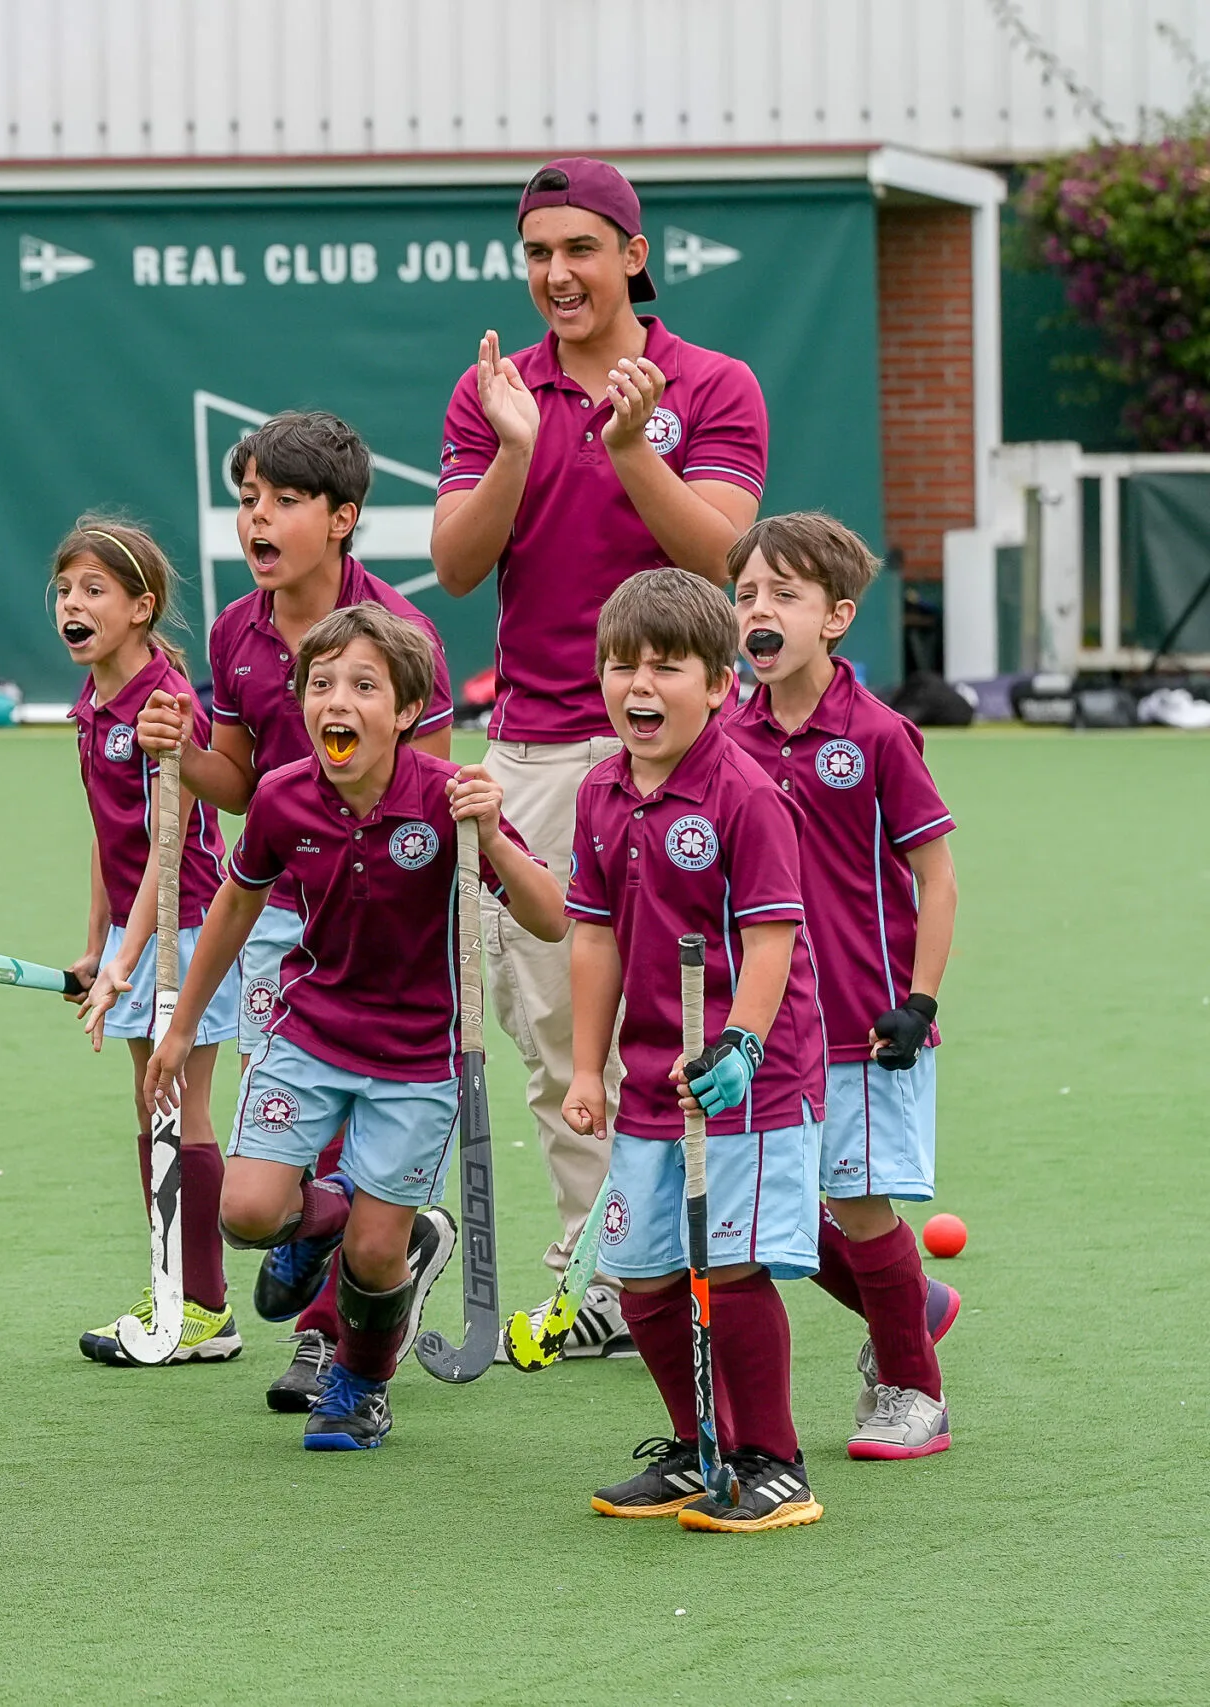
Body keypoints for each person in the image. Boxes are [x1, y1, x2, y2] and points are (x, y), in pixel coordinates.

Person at [432, 156, 768, 1351]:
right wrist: (515, 450)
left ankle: (735, 1261)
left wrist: (630, 447)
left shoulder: (712, 384)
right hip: (532, 751)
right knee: (555, 1037)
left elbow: (721, 560)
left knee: (700, 1020)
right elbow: (457, 567)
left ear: (632, 254)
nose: (557, 274)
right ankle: (611, 1279)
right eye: (537, 253)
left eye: (580, 248)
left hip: (690, 754)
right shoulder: (492, 391)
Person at [145, 605, 563, 1448]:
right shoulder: (281, 796)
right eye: (322, 684)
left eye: (364, 686)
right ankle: (326, 1216)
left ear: (406, 711)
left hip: (419, 1058)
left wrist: (492, 836)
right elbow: (236, 905)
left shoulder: (447, 802)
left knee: (376, 1258)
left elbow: (550, 916)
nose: (338, 701)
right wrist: (182, 1027)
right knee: (246, 1211)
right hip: (310, 1036)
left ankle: (361, 1383)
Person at [136, 410, 458, 1409]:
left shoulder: (400, 636)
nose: (258, 519)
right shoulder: (235, 629)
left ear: (342, 517)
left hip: (385, 919)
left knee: (357, 1143)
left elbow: (430, 802)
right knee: (288, 1142)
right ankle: (356, 1232)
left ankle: (329, 1339)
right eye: (247, 501)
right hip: (280, 906)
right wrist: (180, 750)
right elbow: (237, 784)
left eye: (283, 501)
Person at [564, 569, 826, 1534]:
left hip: (751, 1078)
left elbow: (772, 938)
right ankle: (698, 1443)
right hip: (648, 1079)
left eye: (666, 667)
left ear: (720, 684)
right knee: (642, 1272)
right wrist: (586, 1066)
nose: (639, 685)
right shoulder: (598, 791)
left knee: (738, 1264)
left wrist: (742, 1044)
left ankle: (775, 1460)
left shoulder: (747, 796)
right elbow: (593, 936)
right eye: (621, 665)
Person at [720, 514, 963, 1460]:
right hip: (765, 1028)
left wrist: (921, 999)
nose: (761, 610)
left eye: (785, 594)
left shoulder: (879, 733)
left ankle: (914, 1389)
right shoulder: (723, 736)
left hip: (864, 1023)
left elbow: (937, 877)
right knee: (773, 1210)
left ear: (836, 617)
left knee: (860, 1206)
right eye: (747, 594)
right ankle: (909, 1301)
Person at [53, 519, 241, 1367]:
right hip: (138, 930)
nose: (73, 602)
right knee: (150, 1103)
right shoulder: (91, 704)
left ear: (141, 606)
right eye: (65, 588)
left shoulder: (165, 706)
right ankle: (173, 1286)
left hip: (188, 926)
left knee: (180, 1104)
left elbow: (168, 846)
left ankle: (205, 1306)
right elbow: (108, 835)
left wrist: (127, 959)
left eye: (94, 589)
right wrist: (95, 946)